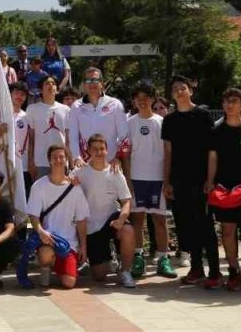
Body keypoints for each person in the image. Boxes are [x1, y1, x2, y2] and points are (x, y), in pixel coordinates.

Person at [161, 74, 221, 287]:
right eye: (175, 88)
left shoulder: (203, 115)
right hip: (179, 181)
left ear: (190, 91)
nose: (179, 91)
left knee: (205, 226)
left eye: (183, 88)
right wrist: (166, 181)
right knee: (186, 226)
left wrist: (211, 179)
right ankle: (196, 268)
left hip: (201, 180)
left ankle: (215, 272)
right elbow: (167, 153)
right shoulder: (169, 120)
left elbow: (212, 151)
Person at [205, 87, 241, 292]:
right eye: (227, 102)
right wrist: (210, 182)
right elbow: (212, 158)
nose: (230, 105)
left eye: (235, 101)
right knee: (227, 230)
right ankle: (234, 270)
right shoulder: (216, 131)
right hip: (223, 188)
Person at [74, 133, 137, 288]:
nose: (99, 152)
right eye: (94, 149)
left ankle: (125, 271)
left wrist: (122, 218)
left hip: (111, 220)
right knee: (99, 276)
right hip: (90, 227)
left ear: (107, 151)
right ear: (88, 151)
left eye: (102, 149)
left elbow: (126, 201)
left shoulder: (115, 172)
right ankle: (106, 257)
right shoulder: (80, 172)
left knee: (128, 230)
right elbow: (65, 188)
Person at [25, 144, 90, 289]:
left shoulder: (75, 188)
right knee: (46, 253)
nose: (58, 160)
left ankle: (59, 266)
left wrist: (83, 246)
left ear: (67, 160)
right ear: (49, 161)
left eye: (62, 157)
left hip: (69, 244)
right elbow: (33, 215)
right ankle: (46, 266)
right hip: (48, 239)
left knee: (69, 283)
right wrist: (41, 231)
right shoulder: (39, 186)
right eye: (54, 157)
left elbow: (81, 220)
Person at [126, 82, 174, 279]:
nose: (143, 100)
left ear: (153, 99)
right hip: (136, 178)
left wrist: (166, 179)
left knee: (159, 220)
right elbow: (126, 154)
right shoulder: (129, 122)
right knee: (137, 220)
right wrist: (127, 180)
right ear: (134, 101)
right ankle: (138, 257)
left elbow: (168, 153)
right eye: (139, 97)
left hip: (157, 179)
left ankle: (163, 258)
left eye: (146, 96)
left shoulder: (161, 122)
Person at [66, 67, 128, 167]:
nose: (91, 83)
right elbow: (73, 137)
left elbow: (124, 136)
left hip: (111, 165)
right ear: (84, 84)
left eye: (95, 80)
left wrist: (118, 158)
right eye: (88, 80)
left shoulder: (115, 104)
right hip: (85, 165)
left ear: (102, 83)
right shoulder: (76, 106)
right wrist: (77, 157)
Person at [25, 75, 68, 189]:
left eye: (53, 83)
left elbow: (68, 139)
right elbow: (31, 139)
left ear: (57, 89)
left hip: (61, 161)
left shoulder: (66, 110)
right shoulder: (32, 109)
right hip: (40, 162)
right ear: (40, 89)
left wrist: (71, 163)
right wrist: (30, 161)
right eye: (47, 83)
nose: (51, 86)